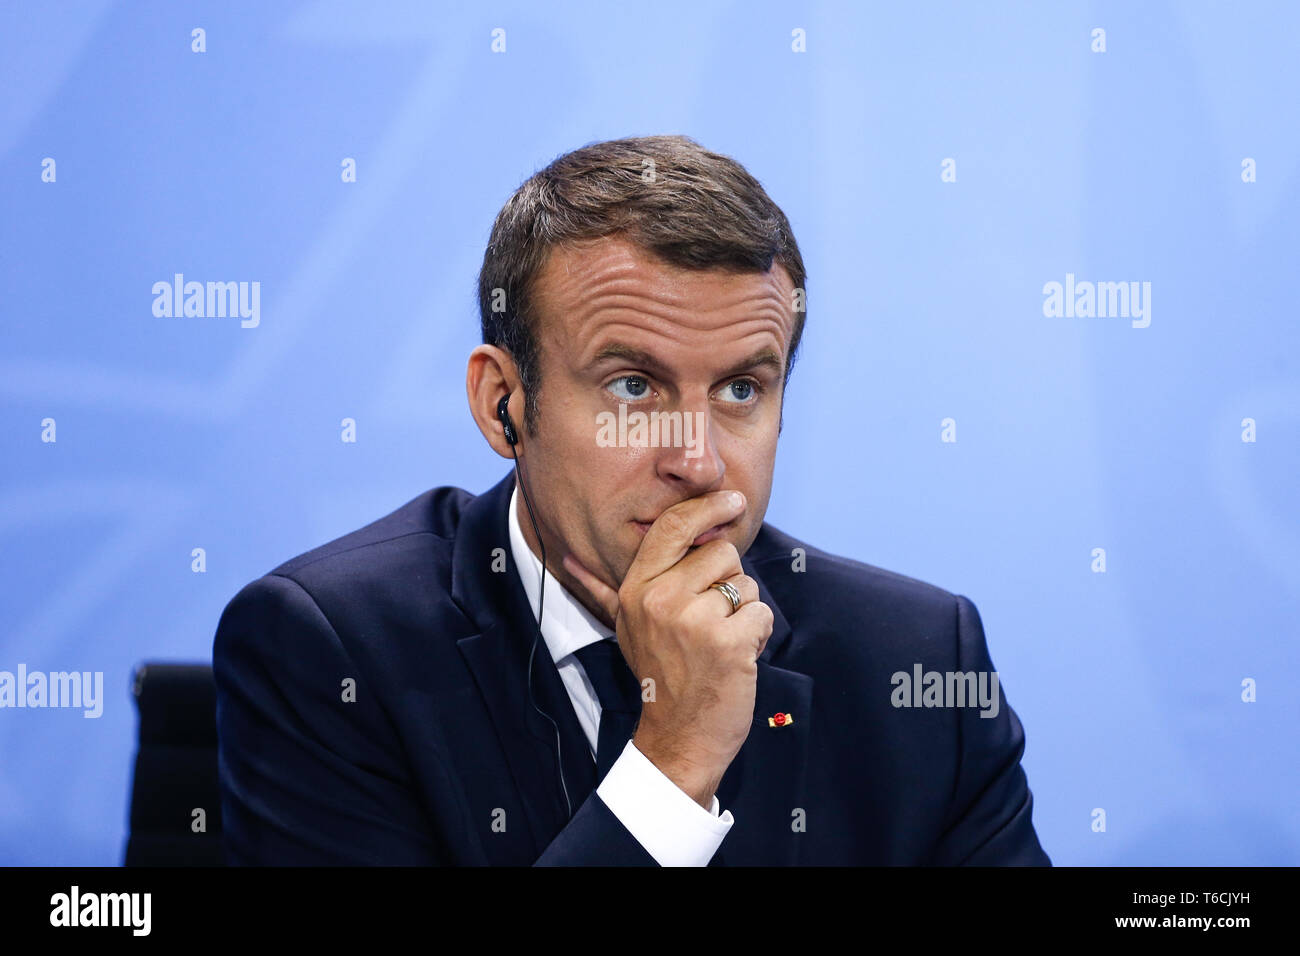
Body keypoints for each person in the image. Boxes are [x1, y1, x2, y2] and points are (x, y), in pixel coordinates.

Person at [213, 134, 1050, 866]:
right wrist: (672, 765)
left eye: (741, 389)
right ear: (503, 403)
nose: (698, 459)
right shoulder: (329, 653)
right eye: (633, 385)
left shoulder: (917, 661)